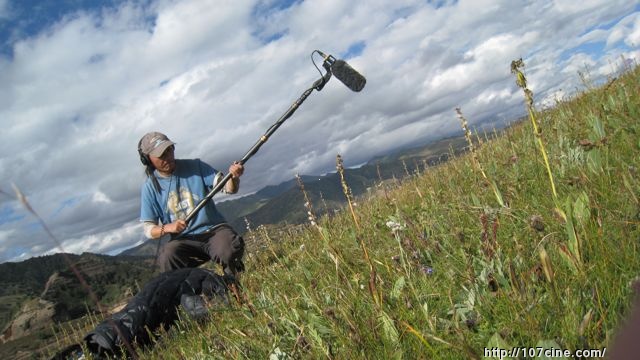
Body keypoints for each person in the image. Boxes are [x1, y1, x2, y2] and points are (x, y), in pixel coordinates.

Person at [137, 131, 245, 276]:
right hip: (183, 240)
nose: (168, 157)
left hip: (213, 231)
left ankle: (235, 281)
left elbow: (229, 189)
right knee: (167, 256)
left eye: (169, 150)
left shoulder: (196, 166)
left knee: (228, 248)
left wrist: (234, 177)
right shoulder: (149, 187)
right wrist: (168, 228)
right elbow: (149, 229)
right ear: (148, 159)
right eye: (161, 155)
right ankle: (190, 293)